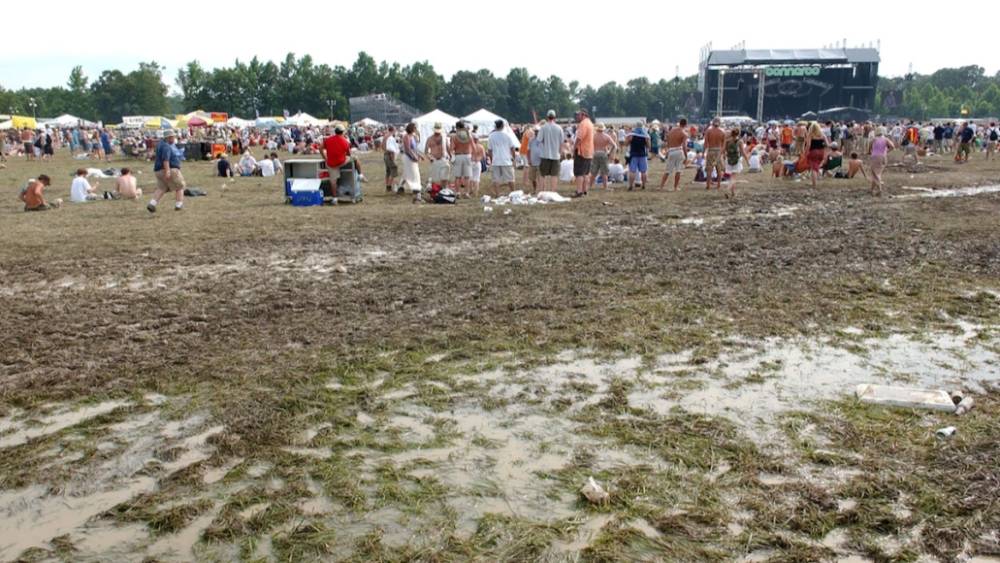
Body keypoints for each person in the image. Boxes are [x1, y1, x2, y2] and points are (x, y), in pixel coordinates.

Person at [148, 130, 186, 212]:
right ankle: (179, 205)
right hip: (169, 169)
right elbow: (166, 159)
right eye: (173, 137)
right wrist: (168, 171)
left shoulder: (160, 145)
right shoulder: (166, 146)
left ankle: (152, 203)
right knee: (180, 186)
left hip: (158, 170)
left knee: (162, 188)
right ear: (169, 137)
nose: (174, 139)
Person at [487, 120, 516, 196]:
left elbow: (489, 150)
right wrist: (514, 158)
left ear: (495, 126)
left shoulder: (491, 136)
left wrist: (491, 158)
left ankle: (497, 194)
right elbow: (512, 148)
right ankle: (513, 193)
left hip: (496, 160)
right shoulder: (507, 135)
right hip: (506, 160)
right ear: (503, 126)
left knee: (496, 179)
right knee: (510, 178)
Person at [536, 110, 563, 192]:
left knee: (542, 174)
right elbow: (561, 142)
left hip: (545, 154)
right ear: (554, 117)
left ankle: (542, 191)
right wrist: (560, 153)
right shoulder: (559, 128)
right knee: (554, 175)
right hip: (555, 155)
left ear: (547, 117)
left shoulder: (543, 127)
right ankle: (553, 191)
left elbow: (539, 140)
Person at [659, 119, 689, 191]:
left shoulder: (671, 131)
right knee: (678, 170)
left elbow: (667, 141)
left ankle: (661, 186)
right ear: (685, 124)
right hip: (679, 150)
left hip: (671, 150)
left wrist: (668, 151)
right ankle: (675, 187)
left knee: (667, 170)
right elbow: (684, 146)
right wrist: (686, 156)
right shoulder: (684, 133)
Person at [449, 121, 475, 198]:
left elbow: (451, 149)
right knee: (467, 176)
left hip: (458, 155)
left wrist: (452, 156)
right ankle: (466, 193)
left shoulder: (454, 136)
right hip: (467, 155)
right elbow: (473, 147)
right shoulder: (469, 136)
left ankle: (457, 193)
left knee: (457, 176)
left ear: (457, 127)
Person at [572, 109, 594, 197]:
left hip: (581, 151)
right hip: (589, 151)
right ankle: (585, 190)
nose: (577, 117)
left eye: (578, 115)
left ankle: (579, 191)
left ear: (583, 115)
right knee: (586, 173)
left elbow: (579, 138)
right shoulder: (590, 123)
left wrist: (574, 148)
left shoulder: (583, 124)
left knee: (579, 173)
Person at [868, 127, 895, 197]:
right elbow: (892, 146)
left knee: (875, 174)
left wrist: (869, 152)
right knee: (877, 173)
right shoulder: (886, 139)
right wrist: (886, 152)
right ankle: (871, 189)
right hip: (883, 157)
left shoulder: (874, 139)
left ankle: (879, 189)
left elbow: (869, 148)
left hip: (875, 157)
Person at [591, 123, 617, 191]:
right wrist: (609, 153)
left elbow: (590, 145)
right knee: (604, 171)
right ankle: (605, 187)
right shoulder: (606, 136)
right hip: (603, 153)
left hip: (595, 153)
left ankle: (590, 185)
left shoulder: (593, 136)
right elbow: (614, 145)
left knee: (594, 171)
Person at [400, 123, 423, 200]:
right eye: (415, 128)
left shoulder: (413, 136)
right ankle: (415, 188)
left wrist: (420, 155)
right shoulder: (406, 136)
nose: (415, 129)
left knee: (407, 173)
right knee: (413, 173)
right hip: (408, 157)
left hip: (413, 156)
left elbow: (415, 148)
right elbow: (408, 149)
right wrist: (414, 157)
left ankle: (401, 186)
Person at [625, 122, 650, 191]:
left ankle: (630, 186)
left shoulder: (632, 134)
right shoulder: (645, 135)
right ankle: (644, 185)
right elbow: (648, 146)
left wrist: (628, 140)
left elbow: (626, 144)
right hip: (642, 154)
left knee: (632, 171)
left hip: (633, 154)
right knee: (643, 171)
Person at [703, 118, 726, 190]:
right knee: (719, 169)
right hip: (718, 150)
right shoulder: (722, 131)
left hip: (711, 150)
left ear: (712, 122)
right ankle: (718, 185)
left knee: (709, 169)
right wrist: (723, 153)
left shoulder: (708, 131)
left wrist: (704, 152)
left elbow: (705, 143)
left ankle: (708, 185)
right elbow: (724, 145)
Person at [425, 123, 451, 187]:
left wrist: (450, 156)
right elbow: (426, 151)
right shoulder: (429, 139)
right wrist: (430, 157)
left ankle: (443, 190)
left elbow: (448, 148)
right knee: (434, 178)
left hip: (444, 159)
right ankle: (435, 191)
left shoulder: (444, 138)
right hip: (434, 160)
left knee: (445, 178)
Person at [804, 122, 828, 188]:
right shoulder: (822, 135)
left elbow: (808, 145)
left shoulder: (811, 135)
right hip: (821, 152)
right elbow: (827, 144)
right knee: (816, 166)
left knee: (813, 168)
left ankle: (814, 184)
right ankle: (816, 180)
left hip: (813, 151)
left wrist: (805, 152)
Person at [722, 129, 744, 198]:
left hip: (729, 160)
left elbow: (723, 150)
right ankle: (727, 190)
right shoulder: (740, 141)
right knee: (733, 178)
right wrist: (747, 161)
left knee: (731, 177)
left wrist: (722, 156)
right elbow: (742, 152)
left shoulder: (727, 141)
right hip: (736, 160)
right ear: (738, 134)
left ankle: (733, 193)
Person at [383, 126, 399, 192]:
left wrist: (385, 151)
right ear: (392, 130)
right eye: (395, 130)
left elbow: (382, 146)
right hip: (390, 155)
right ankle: (389, 186)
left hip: (385, 154)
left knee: (388, 171)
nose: (395, 131)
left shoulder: (385, 136)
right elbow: (391, 149)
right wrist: (392, 158)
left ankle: (387, 185)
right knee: (394, 170)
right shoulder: (390, 137)